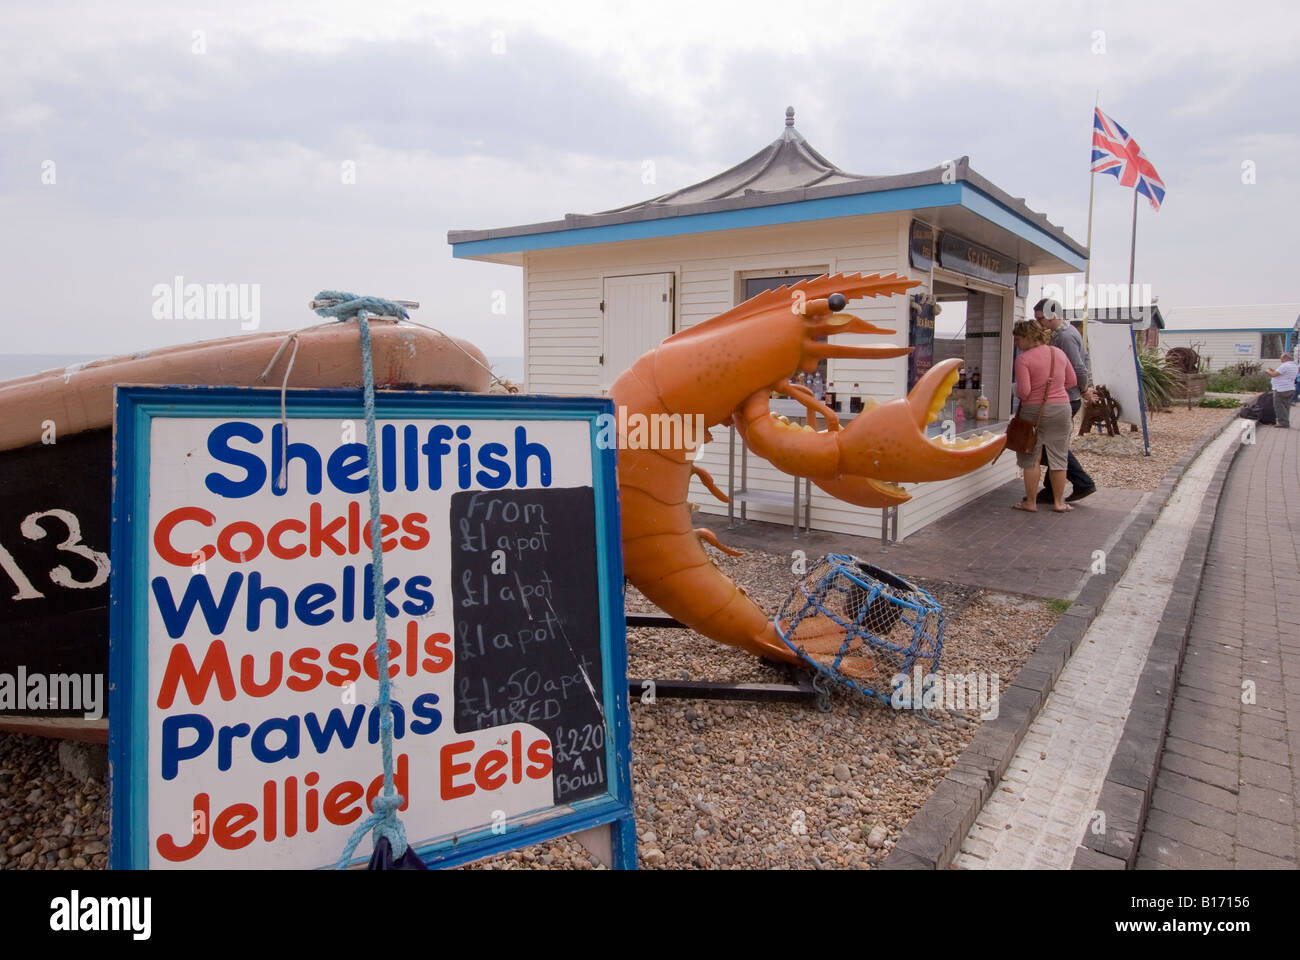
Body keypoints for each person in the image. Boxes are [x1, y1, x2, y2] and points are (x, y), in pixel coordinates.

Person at [1033, 298, 1097, 503]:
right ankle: (1051, 490)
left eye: (1040, 318)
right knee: (1053, 444)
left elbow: (1078, 366)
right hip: (1068, 397)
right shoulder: (1067, 333)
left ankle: (1082, 483)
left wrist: (1084, 389)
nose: (1039, 323)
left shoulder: (1065, 337)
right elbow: (1084, 359)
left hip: (1066, 398)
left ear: (1053, 315)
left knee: (1053, 445)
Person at [1011, 320, 1077, 512]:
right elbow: (1072, 380)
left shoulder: (1023, 359)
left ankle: (1030, 502)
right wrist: (1054, 391)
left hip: (1034, 411)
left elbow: (1024, 391)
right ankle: (1059, 502)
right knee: (1059, 457)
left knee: (1031, 457)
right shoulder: (1059, 353)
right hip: (1062, 409)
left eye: (1018, 339)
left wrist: (1023, 392)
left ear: (1028, 337)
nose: (1016, 344)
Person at [1265, 351, 1298, 428]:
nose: (1281, 359)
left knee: (1279, 406)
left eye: (1281, 358)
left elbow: (1274, 375)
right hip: (1290, 388)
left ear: (1285, 357)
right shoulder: (1294, 366)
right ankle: (1285, 421)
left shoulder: (1285, 365)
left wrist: (1268, 371)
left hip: (1281, 389)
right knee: (1286, 406)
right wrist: (1273, 370)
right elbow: (1281, 374)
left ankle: (1282, 423)